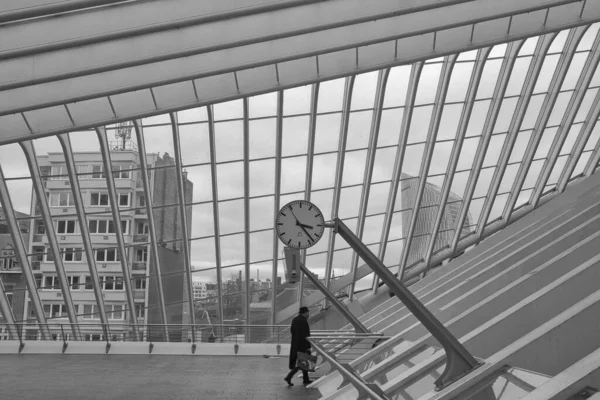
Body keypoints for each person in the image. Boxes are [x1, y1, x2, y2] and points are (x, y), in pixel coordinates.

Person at [284, 306, 313, 387]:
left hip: (296, 344)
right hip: (303, 345)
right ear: (305, 312)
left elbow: (293, 331)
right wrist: (308, 344)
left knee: (304, 362)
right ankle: (288, 377)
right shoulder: (303, 321)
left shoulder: (295, 319)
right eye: (308, 312)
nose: (308, 313)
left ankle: (305, 379)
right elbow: (306, 334)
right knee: (302, 363)